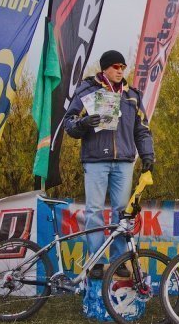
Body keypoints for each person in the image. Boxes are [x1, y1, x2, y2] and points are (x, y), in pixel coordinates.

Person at [64, 50, 154, 279]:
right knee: (94, 211)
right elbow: (69, 123)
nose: (120, 71)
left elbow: (142, 130)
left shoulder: (131, 95)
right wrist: (84, 122)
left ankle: (118, 261)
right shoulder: (87, 90)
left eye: (123, 67)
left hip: (124, 162)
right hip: (95, 160)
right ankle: (96, 260)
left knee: (122, 213)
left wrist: (147, 155)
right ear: (104, 68)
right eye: (115, 67)